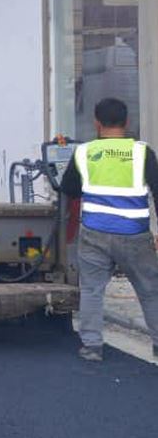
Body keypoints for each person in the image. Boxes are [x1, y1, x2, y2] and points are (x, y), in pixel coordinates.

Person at [59, 97, 158, 361]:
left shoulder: (84, 152)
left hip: (94, 234)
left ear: (96, 122)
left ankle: (92, 346)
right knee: (150, 290)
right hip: (135, 234)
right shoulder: (142, 152)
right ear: (126, 122)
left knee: (92, 289)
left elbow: (68, 189)